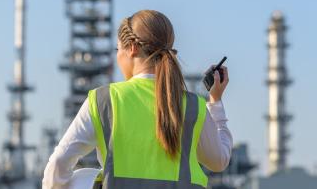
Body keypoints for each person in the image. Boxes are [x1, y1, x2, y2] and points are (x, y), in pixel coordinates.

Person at [43, 10, 232, 189]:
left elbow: (58, 165)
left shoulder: (104, 101)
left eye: (118, 49)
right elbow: (219, 161)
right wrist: (215, 102)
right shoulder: (193, 106)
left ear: (132, 48)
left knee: (83, 177)